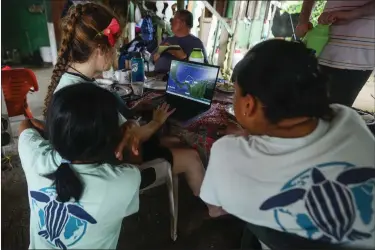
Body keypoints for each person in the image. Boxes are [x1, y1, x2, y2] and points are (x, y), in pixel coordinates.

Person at [200, 40, 375, 248]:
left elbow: (215, 209)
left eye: (235, 95)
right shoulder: (348, 120)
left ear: (249, 104)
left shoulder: (226, 155)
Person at [43, 3, 205, 196]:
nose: (116, 53)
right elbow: (133, 139)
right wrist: (156, 122)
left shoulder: (72, 85)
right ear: (100, 49)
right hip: (116, 164)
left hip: (103, 156)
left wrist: (131, 119)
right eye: (115, 47)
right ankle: (213, 210)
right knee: (191, 154)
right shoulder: (88, 98)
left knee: (173, 139)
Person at [18, 84, 143, 249]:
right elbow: (136, 157)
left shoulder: (33, 155)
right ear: (111, 139)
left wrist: (58, 133)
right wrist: (132, 127)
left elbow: (26, 124)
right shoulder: (126, 180)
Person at [296, 0, 375, 106]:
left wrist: (353, 13)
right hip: (322, 47)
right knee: (305, 106)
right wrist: (303, 19)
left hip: (357, 56)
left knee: (335, 112)